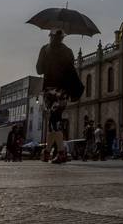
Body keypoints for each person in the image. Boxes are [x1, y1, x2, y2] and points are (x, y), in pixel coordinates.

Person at [35, 29, 83, 164]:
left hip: (50, 90)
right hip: (63, 91)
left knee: (54, 121)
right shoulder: (68, 51)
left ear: (50, 36)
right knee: (54, 120)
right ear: (62, 37)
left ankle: (61, 152)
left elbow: (39, 69)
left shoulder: (45, 49)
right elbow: (71, 68)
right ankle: (47, 151)